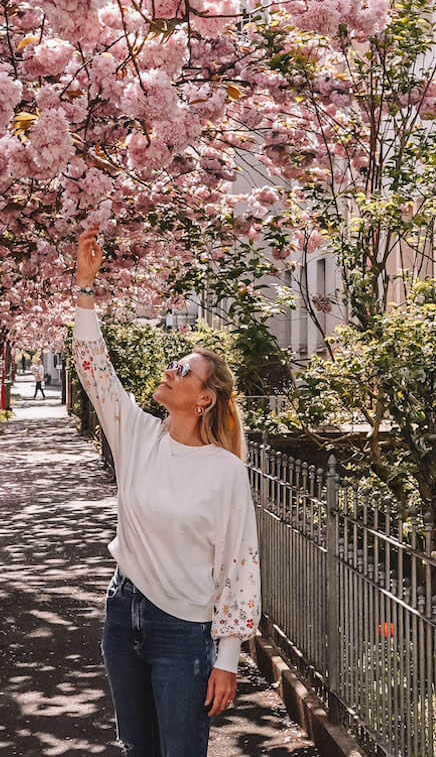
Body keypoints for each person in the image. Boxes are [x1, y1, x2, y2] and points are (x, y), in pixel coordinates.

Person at [73, 227, 261, 757]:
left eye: (184, 372)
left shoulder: (224, 471)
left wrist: (227, 657)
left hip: (185, 629)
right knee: (138, 747)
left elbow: (238, 563)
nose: (170, 372)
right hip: (123, 609)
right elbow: (95, 370)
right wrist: (86, 288)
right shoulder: (137, 435)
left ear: (204, 399)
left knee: (180, 749)